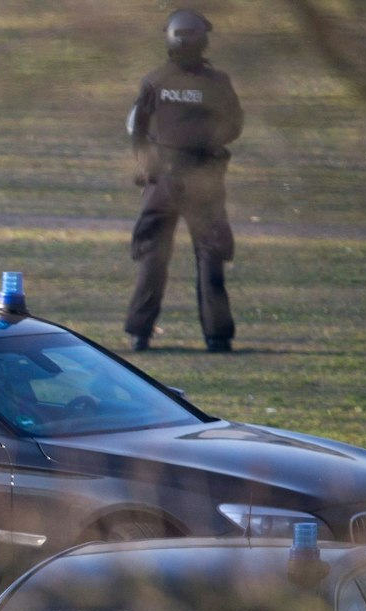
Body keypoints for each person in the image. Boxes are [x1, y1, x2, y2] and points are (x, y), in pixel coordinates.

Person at [124, 8, 242, 354]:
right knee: (210, 254)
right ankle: (217, 337)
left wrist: (145, 164)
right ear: (203, 40)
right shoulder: (217, 83)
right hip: (204, 180)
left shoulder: (155, 80)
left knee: (152, 256)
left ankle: (139, 334)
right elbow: (234, 126)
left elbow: (137, 128)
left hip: (161, 181)